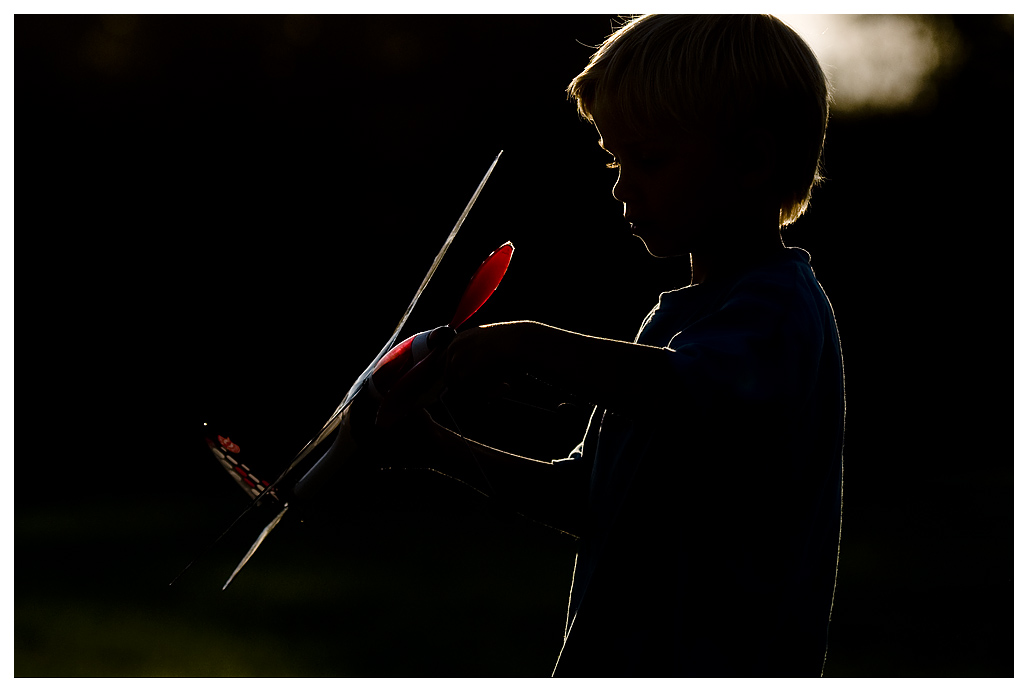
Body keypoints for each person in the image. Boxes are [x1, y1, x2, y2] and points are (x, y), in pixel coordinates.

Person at [371, 14, 845, 677]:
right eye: (614, 160)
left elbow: (687, 392)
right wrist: (431, 447)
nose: (621, 186)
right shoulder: (671, 327)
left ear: (752, 160)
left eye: (648, 159)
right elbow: (587, 501)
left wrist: (527, 345)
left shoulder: (781, 314)